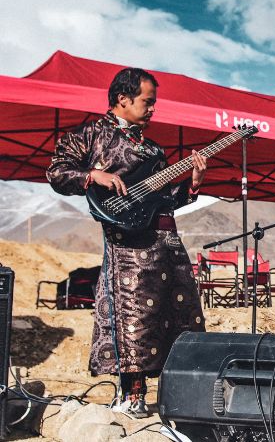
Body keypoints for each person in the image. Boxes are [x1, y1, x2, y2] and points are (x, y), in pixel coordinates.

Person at [46, 68, 207, 418]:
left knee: (179, 312)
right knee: (136, 315)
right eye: (148, 102)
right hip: (129, 247)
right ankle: (132, 395)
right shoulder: (93, 134)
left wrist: (192, 184)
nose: (153, 110)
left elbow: (164, 201)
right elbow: (57, 171)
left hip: (167, 243)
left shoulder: (152, 149)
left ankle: (178, 393)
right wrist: (92, 175)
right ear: (123, 98)